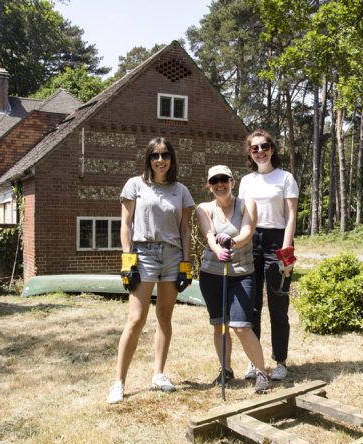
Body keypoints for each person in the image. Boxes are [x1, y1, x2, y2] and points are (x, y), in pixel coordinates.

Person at [107, 137, 195, 404]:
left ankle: (158, 374)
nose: (160, 160)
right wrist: (127, 260)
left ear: (172, 158)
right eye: (155, 155)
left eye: (165, 154)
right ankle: (119, 382)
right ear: (148, 158)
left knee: (165, 317)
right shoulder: (135, 185)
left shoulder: (180, 190)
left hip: (171, 256)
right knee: (135, 319)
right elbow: (125, 223)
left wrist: (186, 264)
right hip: (142, 254)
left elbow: (185, 230)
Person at [196, 165, 270, 394]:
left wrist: (232, 243)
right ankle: (225, 370)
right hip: (212, 273)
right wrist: (219, 250)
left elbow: (248, 231)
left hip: (242, 273)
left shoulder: (247, 204)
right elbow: (208, 234)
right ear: (209, 186)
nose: (220, 185)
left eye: (224, 180)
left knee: (241, 326)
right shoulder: (203, 208)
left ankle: (261, 372)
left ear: (232, 182)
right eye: (215, 181)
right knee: (219, 325)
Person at [239, 129, 299, 382]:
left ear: (272, 149)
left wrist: (286, 253)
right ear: (250, 153)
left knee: (278, 304)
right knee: (251, 306)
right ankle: (255, 362)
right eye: (255, 148)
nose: (260, 152)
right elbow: (241, 217)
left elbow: (292, 217)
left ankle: (280, 361)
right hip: (252, 241)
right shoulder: (246, 181)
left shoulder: (285, 178)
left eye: (264, 147)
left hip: (278, 241)